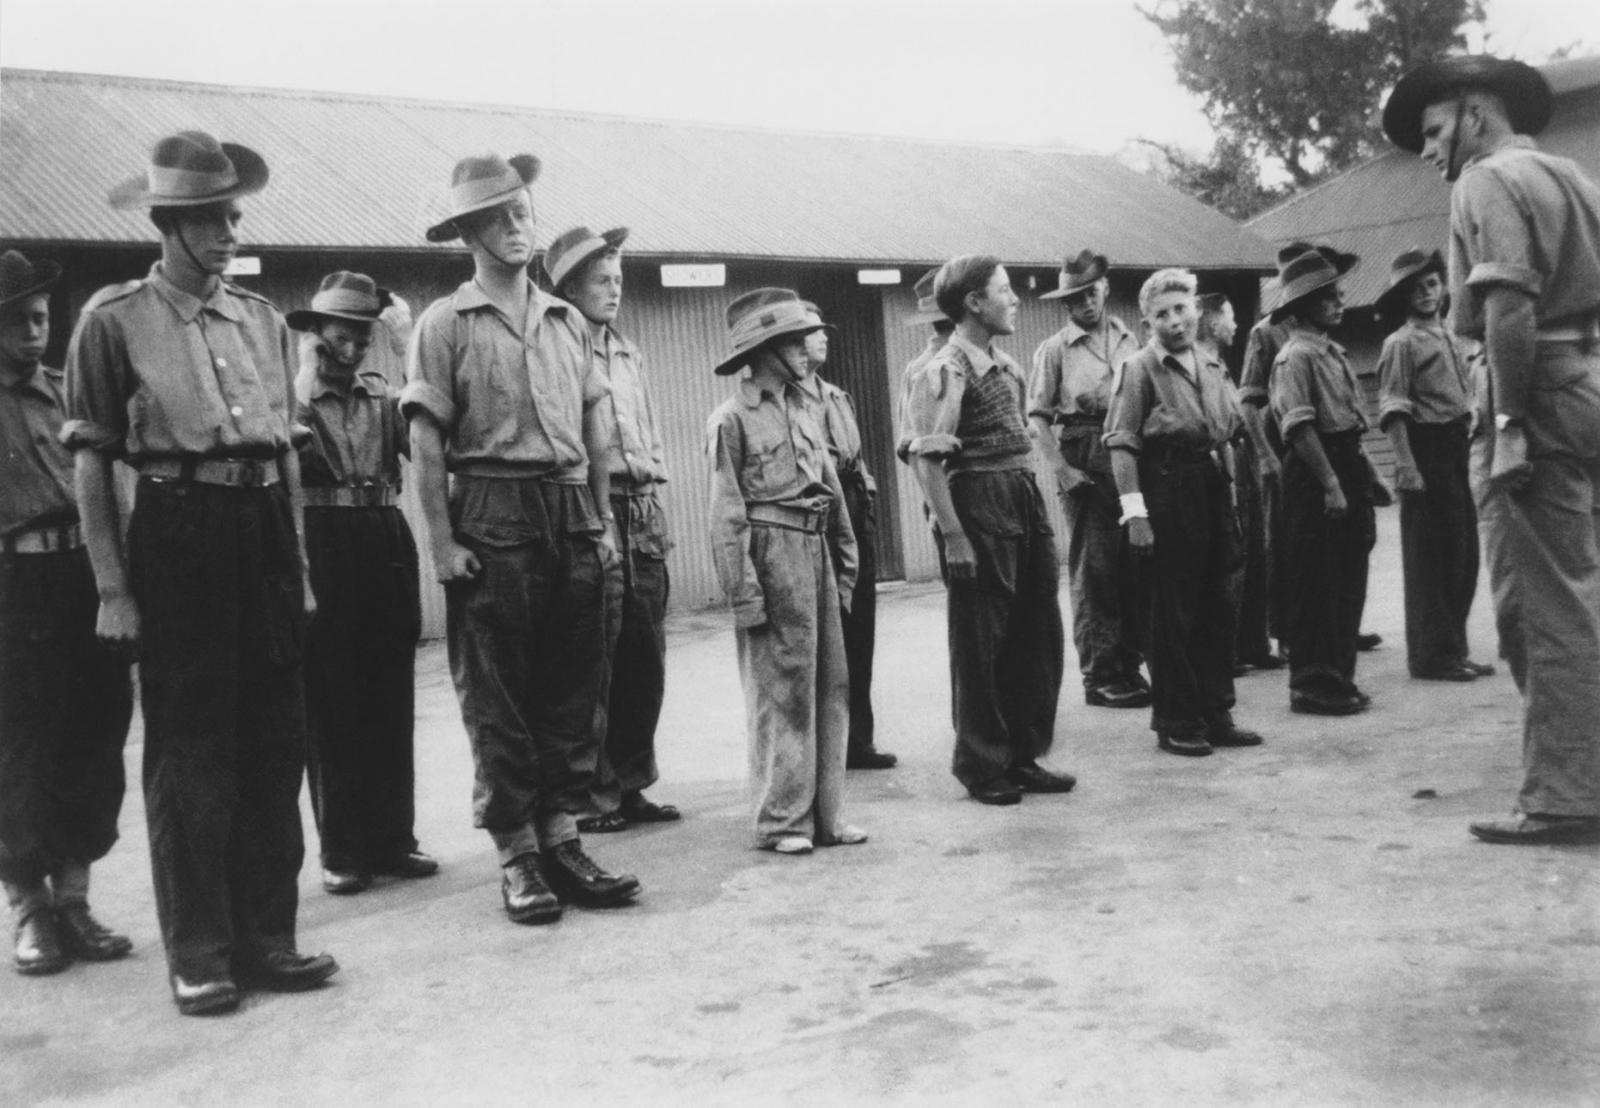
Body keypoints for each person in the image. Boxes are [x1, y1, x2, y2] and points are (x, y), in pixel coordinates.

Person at [64, 131, 337, 1015]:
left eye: (233, 213)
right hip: (178, 533)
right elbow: (93, 461)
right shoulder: (113, 321)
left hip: (260, 528)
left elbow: (288, 457)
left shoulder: (259, 318)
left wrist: (294, 568)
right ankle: (201, 952)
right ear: (170, 224)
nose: (230, 229)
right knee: (190, 753)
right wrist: (112, 587)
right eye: (213, 217)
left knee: (272, 741)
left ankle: (268, 938)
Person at [403, 153, 641, 920]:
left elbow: (597, 425)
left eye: (522, 211)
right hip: (493, 516)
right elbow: (428, 445)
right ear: (468, 231)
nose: (517, 226)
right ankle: (518, 855)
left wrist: (599, 521)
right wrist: (442, 546)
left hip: (569, 511)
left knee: (572, 688)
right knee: (499, 697)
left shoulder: (567, 320)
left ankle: (564, 835)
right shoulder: (445, 323)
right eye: (499, 216)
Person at [1385, 54, 1600, 844]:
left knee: (1538, 610)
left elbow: (1507, 306)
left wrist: (1509, 425)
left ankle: (1565, 796)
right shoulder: (1574, 176)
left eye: (1436, 131)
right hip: (1582, 384)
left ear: (1477, 114)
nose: (1431, 152)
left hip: (1531, 395)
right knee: (1579, 592)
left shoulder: (1485, 179)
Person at [0, 250, 134, 977]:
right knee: (21, 747)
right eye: (16, 319)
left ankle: (76, 899)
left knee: (95, 731)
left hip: (85, 571)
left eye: (41, 317)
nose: (33, 330)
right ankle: (30, 908)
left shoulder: (63, 395)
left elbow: (107, 483)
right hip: (14, 583)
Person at [904, 255, 1073, 806]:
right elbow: (928, 460)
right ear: (974, 302)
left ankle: (1023, 756)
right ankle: (983, 764)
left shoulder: (1008, 366)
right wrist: (953, 535)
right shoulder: (946, 370)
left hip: (1022, 497)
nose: (1015, 299)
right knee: (982, 642)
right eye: (1004, 290)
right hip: (978, 504)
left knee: (1036, 634)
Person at [288, 271, 437, 894]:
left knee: (389, 695)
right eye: (337, 331)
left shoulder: (384, 396)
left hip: (383, 536)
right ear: (317, 334)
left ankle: (393, 841)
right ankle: (343, 850)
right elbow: (285, 463)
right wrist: (301, 372)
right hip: (323, 538)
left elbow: (427, 437)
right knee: (332, 700)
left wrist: (409, 348)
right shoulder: (294, 397)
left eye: (359, 331)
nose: (349, 343)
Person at [706, 287, 867, 853]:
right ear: (768, 347)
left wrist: (845, 564)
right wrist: (744, 593)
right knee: (781, 691)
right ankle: (781, 821)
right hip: (771, 555)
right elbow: (726, 514)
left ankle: (827, 816)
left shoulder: (806, 407)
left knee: (832, 686)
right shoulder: (732, 419)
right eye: (795, 339)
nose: (806, 348)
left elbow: (831, 492)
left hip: (815, 548)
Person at [543, 225, 680, 831]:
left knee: (645, 656)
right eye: (601, 280)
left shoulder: (629, 352)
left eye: (619, 279)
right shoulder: (559, 350)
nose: (614, 290)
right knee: (593, 657)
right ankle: (593, 796)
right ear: (569, 288)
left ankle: (631, 783)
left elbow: (644, 429)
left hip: (643, 506)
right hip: (592, 508)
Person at [1106, 269, 1264, 757]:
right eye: (1162, 314)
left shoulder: (1213, 366)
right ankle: (1177, 719)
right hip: (1166, 487)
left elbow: (1229, 436)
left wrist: (1233, 498)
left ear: (1197, 310)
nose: (1175, 321)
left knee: (1218, 606)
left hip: (1211, 486)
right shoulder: (1138, 369)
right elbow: (1122, 445)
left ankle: (1216, 711)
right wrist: (1136, 515)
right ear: (1147, 321)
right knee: (1172, 612)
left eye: (1182, 308)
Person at [1267, 249, 1386, 717]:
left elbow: (1352, 424)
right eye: (1329, 297)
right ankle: (1313, 683)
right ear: (1302, 307)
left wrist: (1367, 476)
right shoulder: (1294, 358)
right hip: (1315, 469)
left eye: (1339, 294)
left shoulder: (1331, 351)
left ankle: (1340, 676)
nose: (1340, 302)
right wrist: (1332, 484)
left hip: (1344, 460)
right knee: (1316, 580)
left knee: (1347, 576)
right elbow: (1299, 427)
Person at [1028, 250, 1148, 709]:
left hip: (1127, 449)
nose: (1086, 303)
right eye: (1076, 298)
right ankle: (1100, 676)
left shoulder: (1127, 337)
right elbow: (1036, 419)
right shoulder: (1055, 350)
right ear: (1066, 304)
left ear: (1106, 289)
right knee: (1094, 569)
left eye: (1092, 293)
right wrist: (1062, 468)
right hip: (1082, 450)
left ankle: (1128, 665)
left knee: (1133, 565)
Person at [1374, 248, 1493, 684]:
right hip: (1424, 452)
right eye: (1414, 288)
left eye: (1431, 284)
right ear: (1402, 297)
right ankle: (1431, 657)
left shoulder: (1449, 335)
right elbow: (1393, 409)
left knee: (1463, 553)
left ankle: (1455, 647)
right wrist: (1406, 465)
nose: (1425, 294)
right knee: (1430, 558)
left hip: (1456, 448)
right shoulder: (1399, 344)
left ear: (1444, 286)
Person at [796, 300, 897, 770]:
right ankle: (826, 744)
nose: (824, 337)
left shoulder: (836, 396)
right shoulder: (789, 400)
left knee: (860, 628)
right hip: (818, 515)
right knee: (823, 632)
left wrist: (868, 503)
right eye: (813, 331)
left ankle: (859, 740)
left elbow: (855, 461)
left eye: (824, 329)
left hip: (855, 508)